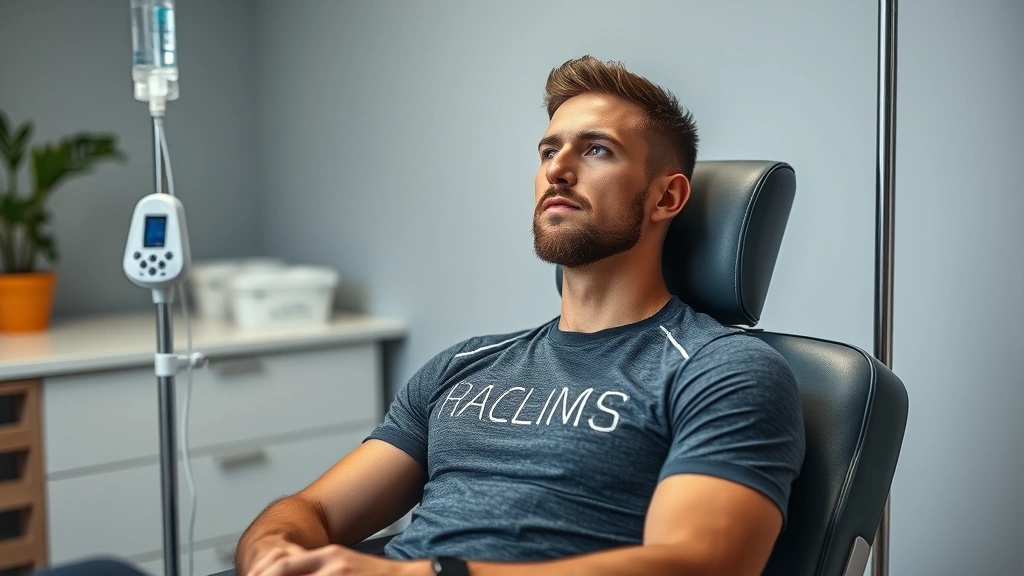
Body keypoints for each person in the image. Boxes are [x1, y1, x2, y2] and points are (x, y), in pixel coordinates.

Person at [235, 56, 806, 576]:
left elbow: (700, 566)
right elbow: (312, 510)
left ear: (667, 199)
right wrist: (272, 551)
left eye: (597, 149)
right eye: (548, 151)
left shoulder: (722, 369)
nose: (558, 169)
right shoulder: (464, 364)